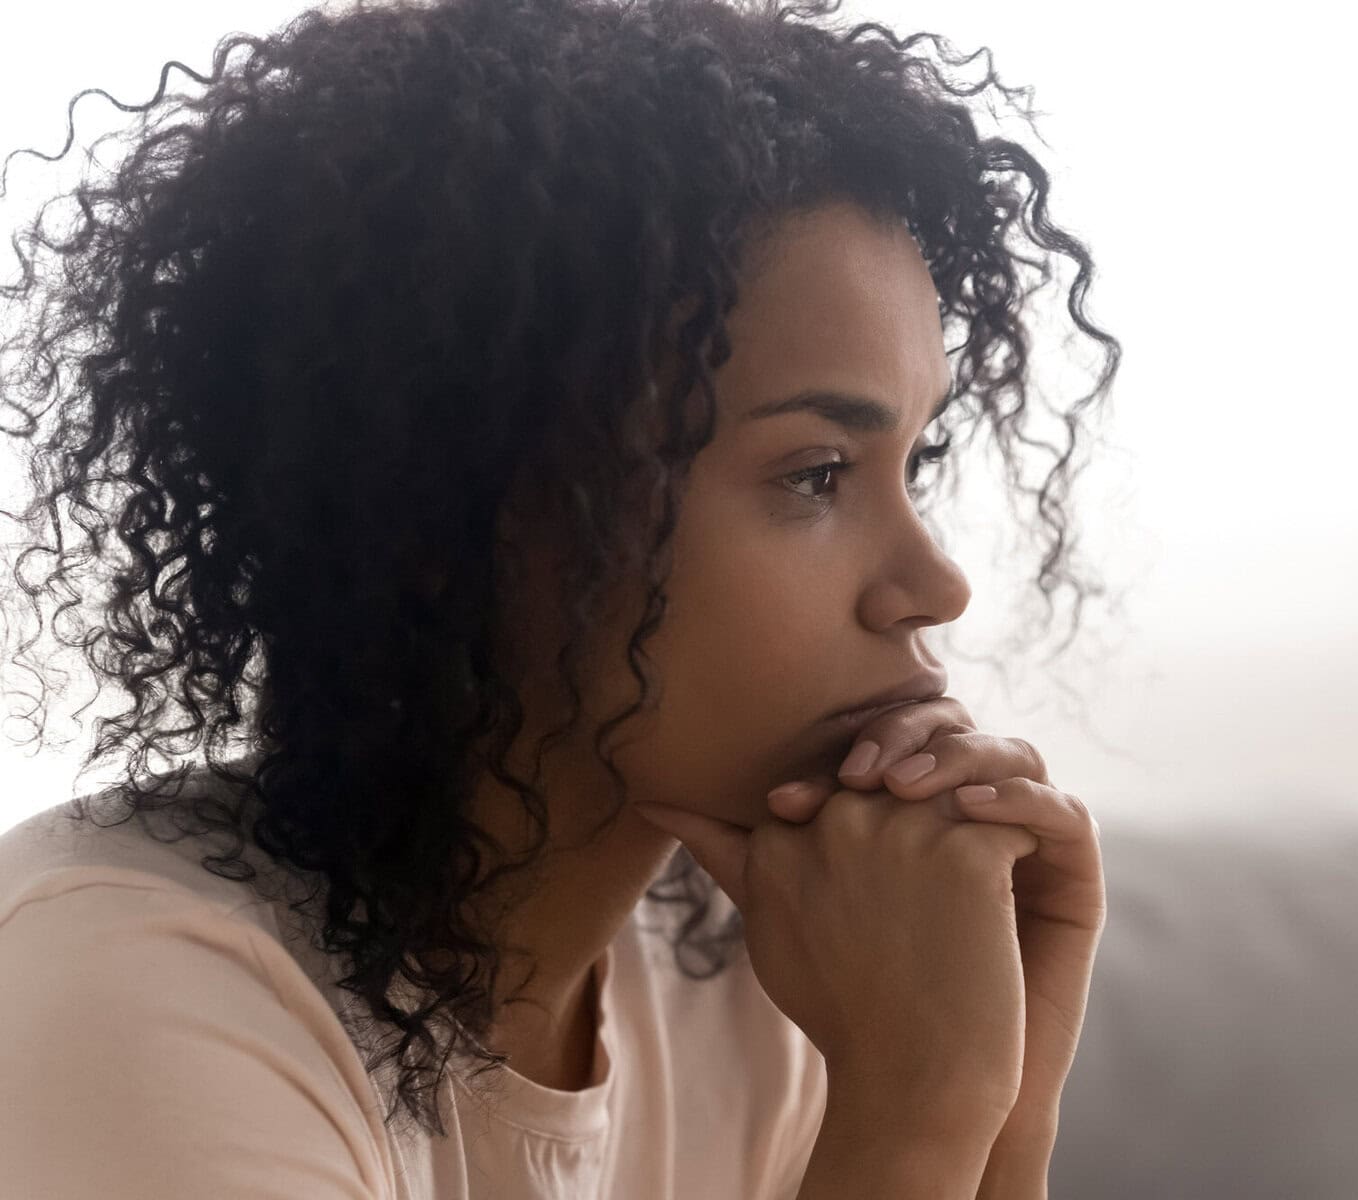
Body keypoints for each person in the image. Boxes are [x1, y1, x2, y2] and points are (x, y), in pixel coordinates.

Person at [0, 0, 1119, 1195]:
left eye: (914, 466)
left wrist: (1006, 1103)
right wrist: (916, 1109)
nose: (933, 586)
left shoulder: (773, 975)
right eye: (815, 474)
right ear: (456, 508)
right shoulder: (133, 991)